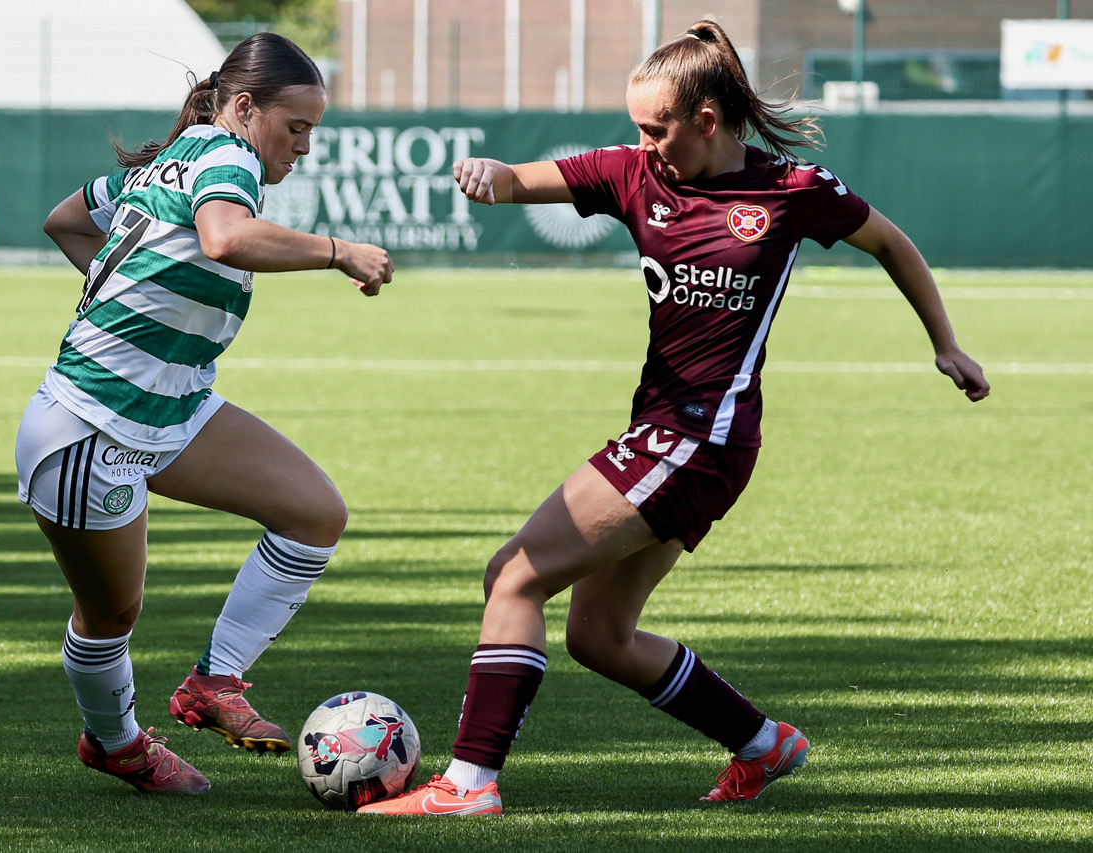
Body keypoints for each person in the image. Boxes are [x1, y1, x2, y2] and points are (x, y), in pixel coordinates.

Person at [360, 20, 990, 816]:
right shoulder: (634, 176)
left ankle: (469, 784)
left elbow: (892, 243)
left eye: (657, 128)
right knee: (599, 636)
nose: (645, 142)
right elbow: (523, 179)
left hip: (702, 438)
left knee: (514, 576)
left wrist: (947, 344)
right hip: (666, 435)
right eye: (636, 128)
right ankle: (764, 744)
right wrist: (492, 175)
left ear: (707, 120)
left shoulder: (792, 192)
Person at [14, 32, 392, 794]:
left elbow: (65, 219)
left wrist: (138, 295)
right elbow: (224, 238)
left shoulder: (171, 158)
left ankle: (214, 681)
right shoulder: (227, 156)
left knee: (314, 513)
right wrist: (338, 250)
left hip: (172, 408)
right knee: (111, 614)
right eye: (297, 128)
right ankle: (116, 742)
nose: (304, 148)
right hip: (92, 425)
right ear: (246, 109)